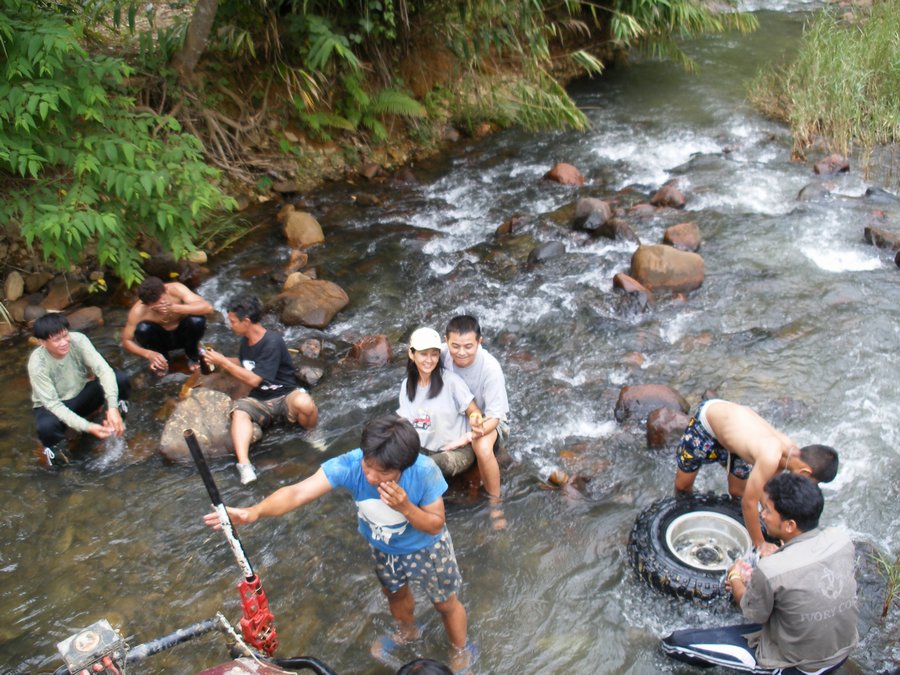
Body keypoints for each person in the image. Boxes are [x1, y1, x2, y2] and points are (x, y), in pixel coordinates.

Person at [202, 415, 474, 672]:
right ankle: (408, 631)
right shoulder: (352, 464)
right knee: (395, 594)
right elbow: (298, 492)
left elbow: (435, 524)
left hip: (427, 548)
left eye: (382, 473)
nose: (371, 477)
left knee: (445, 604)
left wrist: (405, 507)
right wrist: (254, 512)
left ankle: (461, 650)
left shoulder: (423, 471)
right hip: (383, 548)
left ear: (403, 467)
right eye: (368, 466)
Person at [662, 472, 858, 674]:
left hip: (800, 666)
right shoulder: (840, 539)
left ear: (790, 525)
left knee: (675, 642)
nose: (762, 515)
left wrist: (735, 577)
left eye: (767, 511)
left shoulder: (772, 569)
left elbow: (751, 611)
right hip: (842, 650)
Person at [674, 398, 839, 555]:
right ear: (805, 473)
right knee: (683, 487)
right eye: (812, 482)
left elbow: (766, 494)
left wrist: (779, 533)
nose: (807, 486)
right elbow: (749, 503)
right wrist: (760, 544)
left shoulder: (791, 455)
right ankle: (679, 520)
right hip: (708, 423)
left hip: (736, 438)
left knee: (737, 493)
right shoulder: (770, 457)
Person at [201, 294, 317, 484]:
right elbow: (246, 364)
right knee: (239, 412)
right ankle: (244, 465)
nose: (230, 326)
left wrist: (222, 362)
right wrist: (220, 359)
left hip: (284, 394)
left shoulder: (272, 341)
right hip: (259, 399)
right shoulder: (246, 341)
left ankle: (311, 433)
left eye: (233, 321)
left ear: (246, 321)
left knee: (305, 403)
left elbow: (254, 379)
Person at [28, 313, 130, 466]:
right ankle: (59, 463)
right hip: (54, 407)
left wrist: (112, 407)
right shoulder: (37, 364)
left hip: (82, 394)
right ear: (42, 342)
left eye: (65, 335)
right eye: (57, 340)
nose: (64, 342)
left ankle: (118, 423)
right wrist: (88, 427)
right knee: (46, 427)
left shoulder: (78, 340)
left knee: (119, 379)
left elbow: (104, 370)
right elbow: (53, 404)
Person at [398, 327, 483, 479]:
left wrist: (475, 420)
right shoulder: (406, 385)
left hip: (457, 451)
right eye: (423, 354)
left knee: (425, 467)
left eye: (434, 354)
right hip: (423, 450)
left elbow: (474, 410)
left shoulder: (451, 382)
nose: (429, 360)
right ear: (412, 354)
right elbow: (405, 422)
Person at [441, 315, 510, 500]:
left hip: (488, 420)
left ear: (479, 342)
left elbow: (495, 417)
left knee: (483, 447)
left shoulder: (490, 369)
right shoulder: (441, 354)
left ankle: (495, 502)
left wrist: (468, 436)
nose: (461, 352)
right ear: (446, 341)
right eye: (455, 346)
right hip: (457, 413)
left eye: (468, 346)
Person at [122, 276, 213, 375]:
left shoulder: (176, 289)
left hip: (183, 334)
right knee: (143, 329)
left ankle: (192, 354)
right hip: (161, 340)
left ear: (166, 290)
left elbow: (207, 308)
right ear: (147, 305)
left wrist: (175, 308)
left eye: (163, 300)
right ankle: (163, 361)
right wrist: (148, 354)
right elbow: (126, 341)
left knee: (196, 320)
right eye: (156, 305)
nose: (162, 305)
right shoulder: (138, 312)